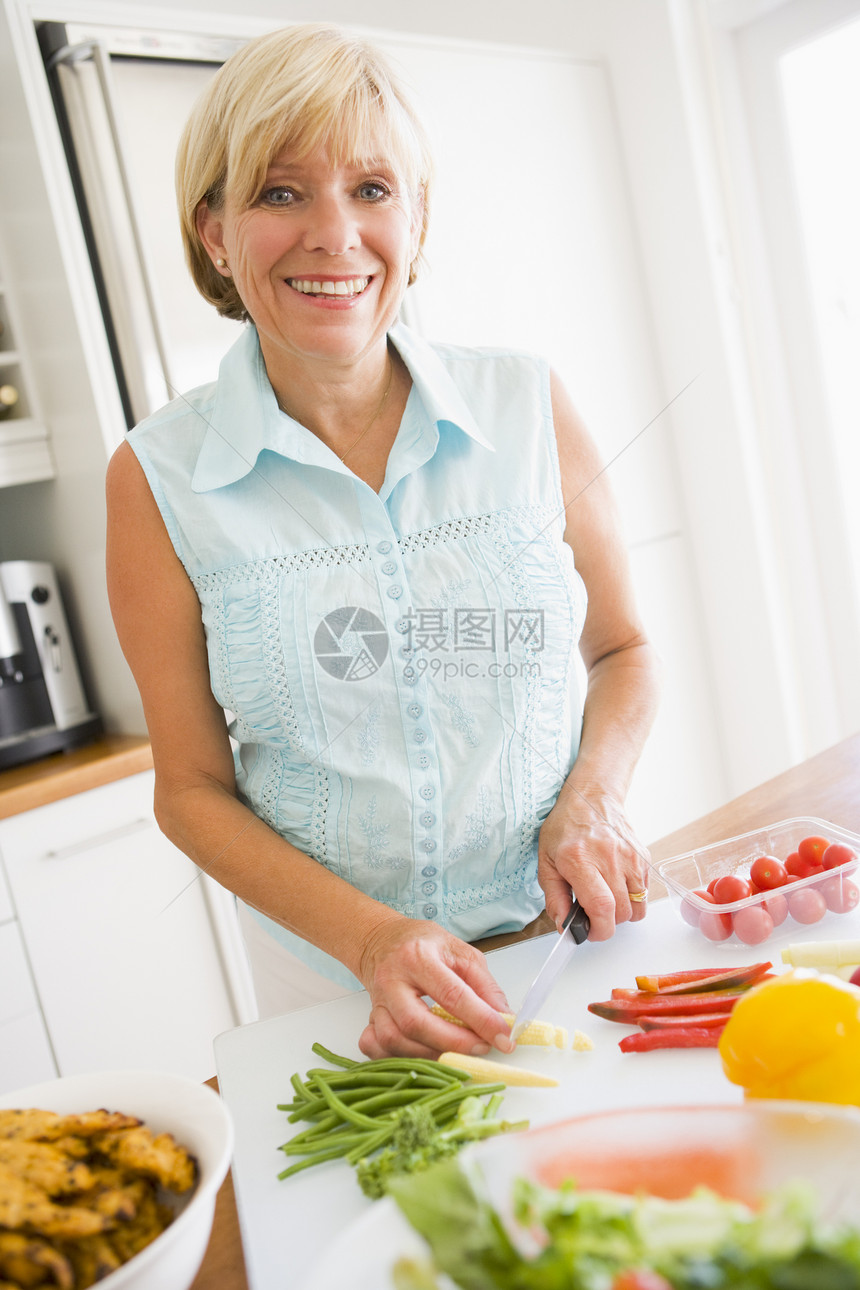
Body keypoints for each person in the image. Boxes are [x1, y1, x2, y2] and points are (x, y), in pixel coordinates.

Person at [105, 22, 660, 1060]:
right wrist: (370, 942)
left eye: (370, 189)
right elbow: (188, 788)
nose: (333, 234)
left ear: (415, 218)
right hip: (344, 1003)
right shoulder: (156, 478)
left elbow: (625, 650)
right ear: (213, 231)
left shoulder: (526, 402)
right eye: (279, 192)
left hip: (576, 942)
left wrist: (593, 801)